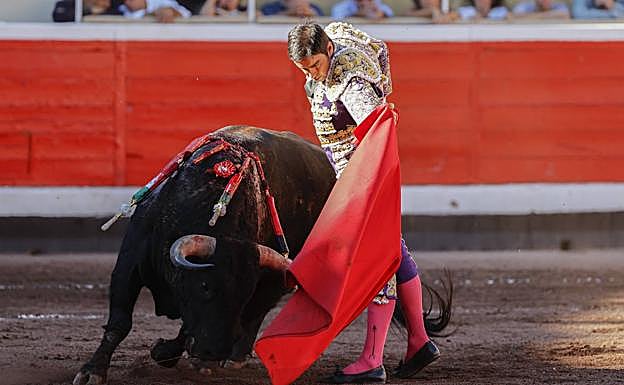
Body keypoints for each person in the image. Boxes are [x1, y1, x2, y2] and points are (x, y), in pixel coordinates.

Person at [287, 22, 439, 383]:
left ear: (328, 49)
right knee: (395, 252)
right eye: (304, 69)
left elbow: (377, 129)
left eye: (315, 65)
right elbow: (381, 48)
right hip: (356, 175)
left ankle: (372, 359)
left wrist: (366, 190)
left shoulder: (351, 82)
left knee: (376, 260)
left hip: (363, 177)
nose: (311, 74)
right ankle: (418, 340)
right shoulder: (338, 37)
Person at [119, 0, 192, 22]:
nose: (127, 3)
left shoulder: (160, 2)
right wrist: (154, 13)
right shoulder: (121, 8)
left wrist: (171, 11)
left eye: (131, 0)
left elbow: (186, 14)